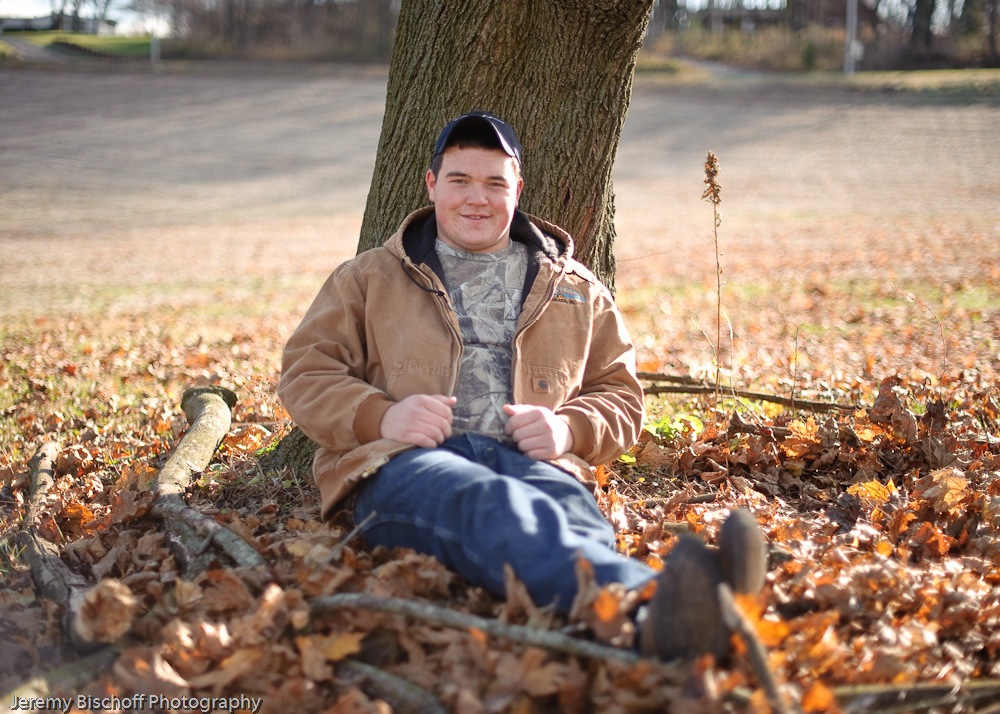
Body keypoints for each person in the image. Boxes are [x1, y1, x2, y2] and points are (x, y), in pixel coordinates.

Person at [278, 111, 766, 660]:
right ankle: (652, 598)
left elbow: (624, 397)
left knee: (575, 518)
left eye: (495, 183)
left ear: (518, 190)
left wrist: (567, 428)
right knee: (486, 502)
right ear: (432, 184)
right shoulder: (368, 277)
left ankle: (660, 629)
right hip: (406, 462)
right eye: (459, 180)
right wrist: (382, 417)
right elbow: (305, 372)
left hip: (540, 463)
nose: (476, 199)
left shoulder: (573, 286)